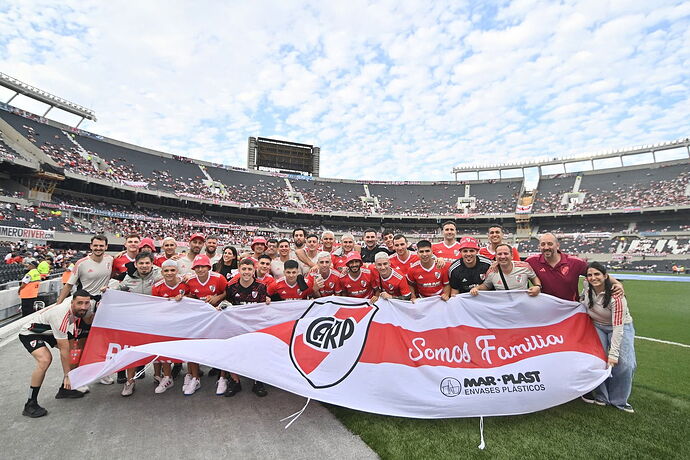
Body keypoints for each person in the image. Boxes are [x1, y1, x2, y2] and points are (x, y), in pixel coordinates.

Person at [19, 290, 93, 417]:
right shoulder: (61, 315)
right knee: (45, 360)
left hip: (50, 330)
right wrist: (67, 375)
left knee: (75, 351)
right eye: (79, 303)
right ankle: (30, 403)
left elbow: (88, 321)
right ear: (72, 302)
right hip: (32, 332)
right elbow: (64, 351)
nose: (83, 307)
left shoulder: (86, 308)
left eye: (86, 303)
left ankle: (65, 390)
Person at [580, 262, 636, 413]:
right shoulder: (586, 285)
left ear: (605, 276)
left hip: (620, 326)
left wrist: (613, 353)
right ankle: (601, 396)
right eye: (590, 275)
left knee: (625, 364)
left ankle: (619, 400)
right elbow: (582, 301)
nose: (593, 278)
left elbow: (618, 327)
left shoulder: (616, 296)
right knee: (596, 359)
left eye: (597, 274)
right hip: (597, 325)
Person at [223, 258, 272, 397]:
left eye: (249, 269)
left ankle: (258, 381)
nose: (246, 272)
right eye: (243, 269)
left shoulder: (261, 286)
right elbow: (229, 304)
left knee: (257, 353)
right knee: (233, 352)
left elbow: (264, 309)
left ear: (254, 270)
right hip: (236, 326)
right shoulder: (232, 286)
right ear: (239, 270)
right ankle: (235, 381)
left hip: (255, 326)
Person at [526, 233, 623, 301]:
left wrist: (617, 283)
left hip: (570, 308)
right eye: (543, 244)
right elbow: (515, 269)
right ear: (539, 246)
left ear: (557, 245)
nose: (546, 247)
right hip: (546, 307)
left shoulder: (575, 262)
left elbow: (597, 273)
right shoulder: (531, 261)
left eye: (550, 244)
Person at [116, 253, 162, 396]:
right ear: (136, 264)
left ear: (152, 264)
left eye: (147, 263)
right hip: (134, 321)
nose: (144, 266)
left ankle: (157, 375)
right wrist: (108, 292)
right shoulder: (129, 277)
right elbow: (117, 292)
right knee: (132, 350)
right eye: (141, 263)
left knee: (157, 348)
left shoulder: (159, 275)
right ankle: (130, 381)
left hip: (155, 319)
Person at [184, 254, 228, 395]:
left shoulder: (218, 278)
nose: (200, 269)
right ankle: (195, 377)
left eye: (203, 266)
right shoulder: (190, 280)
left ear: (208, 267)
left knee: (221, 345)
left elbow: (227, 292)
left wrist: (217, 298)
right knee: (193, 345)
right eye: (197, 267)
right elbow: (190, 295)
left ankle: (222, 377)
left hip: (217, 317)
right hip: (201, 319)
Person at [150, 260, 188, 394]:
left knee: (187, 347)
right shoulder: (157, 287)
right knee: (164, 347)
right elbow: (156, 307)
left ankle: (191, 375)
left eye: (172, 270)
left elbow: (191, 298)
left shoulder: (185, 283)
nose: (169, 273)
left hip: (184, 322)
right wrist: (172, 300)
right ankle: (167, 376)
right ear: (162, 272)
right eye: (166, 271)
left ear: (177, 271)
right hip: (166, 323)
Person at [470, 244, 541, 296]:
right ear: (496, 257)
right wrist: (477, 288)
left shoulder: (524, 266)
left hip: (522, 306)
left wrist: (537, 286)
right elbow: (486, 285)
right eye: (499, 254)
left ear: (512, 255)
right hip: (503, 307)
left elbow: (534, 277)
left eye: (506, 253)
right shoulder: (492, 271)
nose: (503, 256)